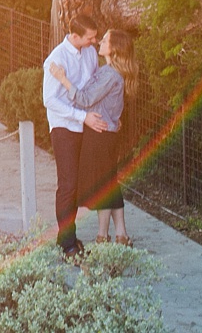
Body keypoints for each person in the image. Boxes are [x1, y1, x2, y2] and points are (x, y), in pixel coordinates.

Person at [49, 28, 137, 246]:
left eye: (105, 40)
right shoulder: (111, 71)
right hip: (107, 133)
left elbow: (85, 99)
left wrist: (62, 78)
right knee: (110, 182)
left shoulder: (110, 74)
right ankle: (121, 234)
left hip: (100, 135)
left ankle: (102, 236)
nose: (99, 42)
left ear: (114, 49)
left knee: (102, 185)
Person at [42, 12, 103, 256]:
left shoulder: (89, 52)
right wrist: (81, 117)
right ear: (75, 36)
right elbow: (49, 100)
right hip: (64, 126)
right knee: (67, 185)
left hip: (85, 125)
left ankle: (66, 237)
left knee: (78, 185)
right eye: (90, 38)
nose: (94, 42)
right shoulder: (56, 59)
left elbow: (92, 86)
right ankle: (67, 244)